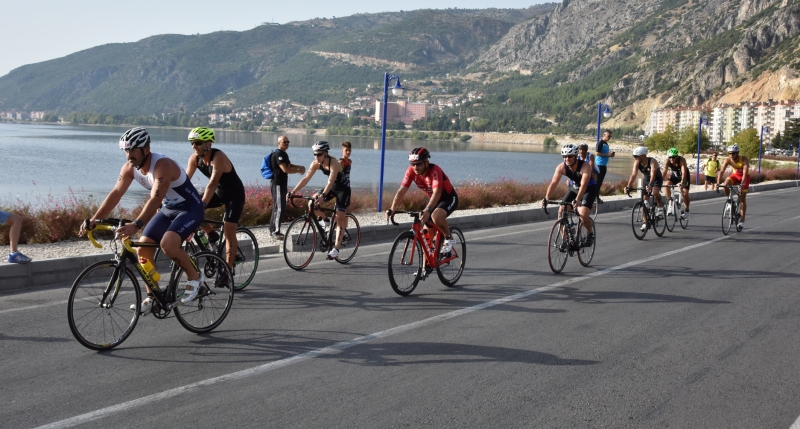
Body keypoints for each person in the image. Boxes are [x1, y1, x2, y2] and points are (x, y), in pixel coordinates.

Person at [79, 127, 205, 312]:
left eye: (133, 150)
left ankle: (195, 278)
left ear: (146, 149)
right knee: (142, 249)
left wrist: (136, 224)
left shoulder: (162, 165)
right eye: (126, 150)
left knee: (168, 244)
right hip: (169, 209)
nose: (129, 155)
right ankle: (153, 296)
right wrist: (95, 219)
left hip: (190, 208)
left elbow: (155, 199)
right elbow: (116, 193)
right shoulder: (130, 168)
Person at [185, 127, 245, 284]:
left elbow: (212, 183)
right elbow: (183, 182)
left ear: (208, 143)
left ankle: (227, 271)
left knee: (228, 230)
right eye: (192, 143)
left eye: (197, 143)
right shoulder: (195, 159)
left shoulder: (218, 157)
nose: (194, 146)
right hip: (219, 193)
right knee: (190, 206)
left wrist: (203, 204)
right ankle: (211, 234)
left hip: (234, 195)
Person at [386, 147, 459, 271]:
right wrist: (392, 209)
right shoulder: (411, 172)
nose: (415, 167)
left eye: (419, 164)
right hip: (432, 200)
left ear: (426, 162)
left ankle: (448, 237)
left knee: (436, 216)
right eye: (412, 164)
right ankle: (426, 267)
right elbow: (401, 191)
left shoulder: (435, 170)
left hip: (448, 198)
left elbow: (437, 193)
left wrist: (428, 210)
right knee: (426, 236)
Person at [288, 141, 351, 260]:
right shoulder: (316, 163)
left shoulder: (334, 163)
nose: (316, 157)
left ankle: (336, 249)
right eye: (315, 154)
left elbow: (330, 181)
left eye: (319, 154)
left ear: (326, 153)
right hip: (332, 188)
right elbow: (306, 178)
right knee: (311, 203)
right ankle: (326, 221)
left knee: (339, 217)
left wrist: (322, 196)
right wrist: (293, 191)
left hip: (343, 189)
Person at [542, 144, 596, 247]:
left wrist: (578, 199)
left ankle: (590, 234)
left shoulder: (585, 166)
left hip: (588, 189)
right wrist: (547, 198)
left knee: (583, 214)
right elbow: (554, 183)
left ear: (576, 156)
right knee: (561, 210)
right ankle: (565, 240)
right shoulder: (561, 167)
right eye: (565, 156)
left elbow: (584, 185)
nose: (567, 159)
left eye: (570, 156)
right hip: (574, 189)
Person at [263, 135, 305, 240]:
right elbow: (285, 169)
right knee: (279, 208)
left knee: (279, 207)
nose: (286, 143)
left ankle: (274, 229)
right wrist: (298, 171)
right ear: (279, 143)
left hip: (282, 185)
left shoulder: (284, 154)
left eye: (287, 142)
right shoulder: (278, 155)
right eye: (284, 142)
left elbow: (289, 166)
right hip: (277, 184)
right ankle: (275, 231)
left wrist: (299, 167)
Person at [624, 146, 664, 232]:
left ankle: (660, 207)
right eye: (634, 157)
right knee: (644, 201)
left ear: (643, 155)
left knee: (655, 191)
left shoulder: (653, 161)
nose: (635, 158)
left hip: (656, 178)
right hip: (646, 178)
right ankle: (645, 222)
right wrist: (628, 186)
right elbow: (634, 175)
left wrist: (650, 185)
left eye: (636, 156)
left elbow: (653, 174)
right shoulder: (637, 162)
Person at [716, 144, 750, 229]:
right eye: (730, 153)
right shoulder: (728, 159)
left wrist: (742, 184)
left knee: (742, 198)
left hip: (744, 177)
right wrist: (717, 183)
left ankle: (742, 220)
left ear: (737, 153)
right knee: (725, 185)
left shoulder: (744, 159)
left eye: (733, 153)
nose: (731, 155)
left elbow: (745, 172)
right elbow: (722, 171)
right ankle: (730, 201)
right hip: (735, 175)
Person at [662, 147, 691, 219]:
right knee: (666, 185)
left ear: (677, 156)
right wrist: (660, 181)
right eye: (670, 157)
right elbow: (664, 171)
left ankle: (687, 210)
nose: (671, 159)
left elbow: (684, 172)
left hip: (684, 177)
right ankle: (670, 203)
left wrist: (682, 182)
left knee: (685, 193)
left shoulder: (681, 160)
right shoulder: (668, 161)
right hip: (675, 176)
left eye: (673, 157)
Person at [594, 130, 616, 203]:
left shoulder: (606, 144)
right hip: (599, 165)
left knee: (599, 183)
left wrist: (610, 155)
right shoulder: (600, 143)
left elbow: (605, 154)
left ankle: (596, 197)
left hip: (603, 165)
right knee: (597, 182)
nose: (609, 137)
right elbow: (597, 153)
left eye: (610, 136)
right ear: (604, 135)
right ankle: (595, 198)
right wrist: (607, 155)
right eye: (608, 136)